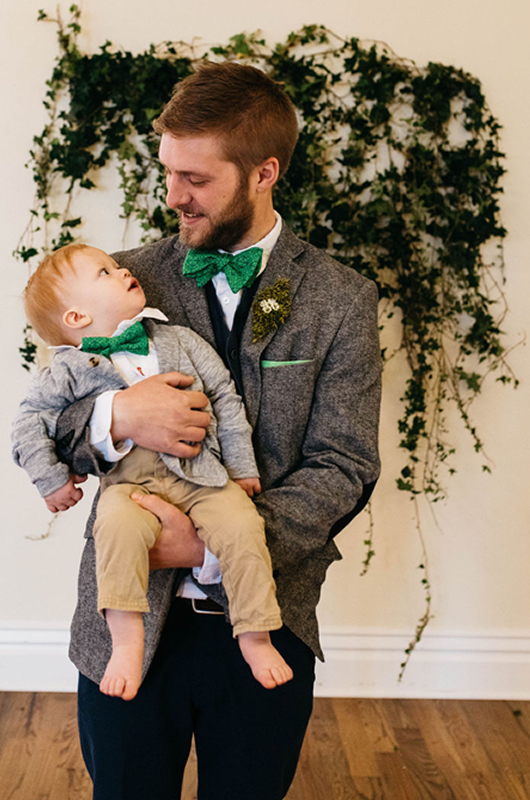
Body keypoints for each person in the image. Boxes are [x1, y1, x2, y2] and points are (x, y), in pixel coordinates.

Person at [54, 61, 382, 799]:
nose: (173, 195)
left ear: (265, 172)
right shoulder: (122, 281)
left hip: (271, 619)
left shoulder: (342, 299)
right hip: (128, 624)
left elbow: (346, 463)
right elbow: (52, 421)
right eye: (168, 171)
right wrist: (115, 417)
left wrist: (210, 544)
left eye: (196, 178)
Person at [12, 242, 293, 700]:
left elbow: (224, 396)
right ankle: (125, 640)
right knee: (116, 527)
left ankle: (255, 634)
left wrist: (241, 468)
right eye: (104, 272)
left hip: (201, 473)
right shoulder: (63, 372)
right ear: (77, 318)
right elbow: (30, 425)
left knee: (243, 524)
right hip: (130, 483)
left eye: (115, 266)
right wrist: (52, 479)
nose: (122, 269)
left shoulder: (178, 340)